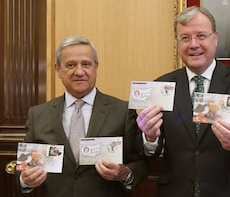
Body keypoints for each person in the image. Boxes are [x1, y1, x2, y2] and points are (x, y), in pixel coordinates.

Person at [136, 6, 230, 197]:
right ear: (177, 42)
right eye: (185, 38)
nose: (193, 44)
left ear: (215, 38)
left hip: (229, 192)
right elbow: (148, 152)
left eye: (201, 36)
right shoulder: (162, 85)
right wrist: (150, 137)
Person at [18, 36, 148, 196]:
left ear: (96, 67)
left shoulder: (122, 111)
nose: (79, 72)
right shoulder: (38, 115)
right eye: (70, 65)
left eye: (86, 64)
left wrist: (124, 173)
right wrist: (25, 180)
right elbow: (24, 166)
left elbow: (141, 162)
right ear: (58, 69)